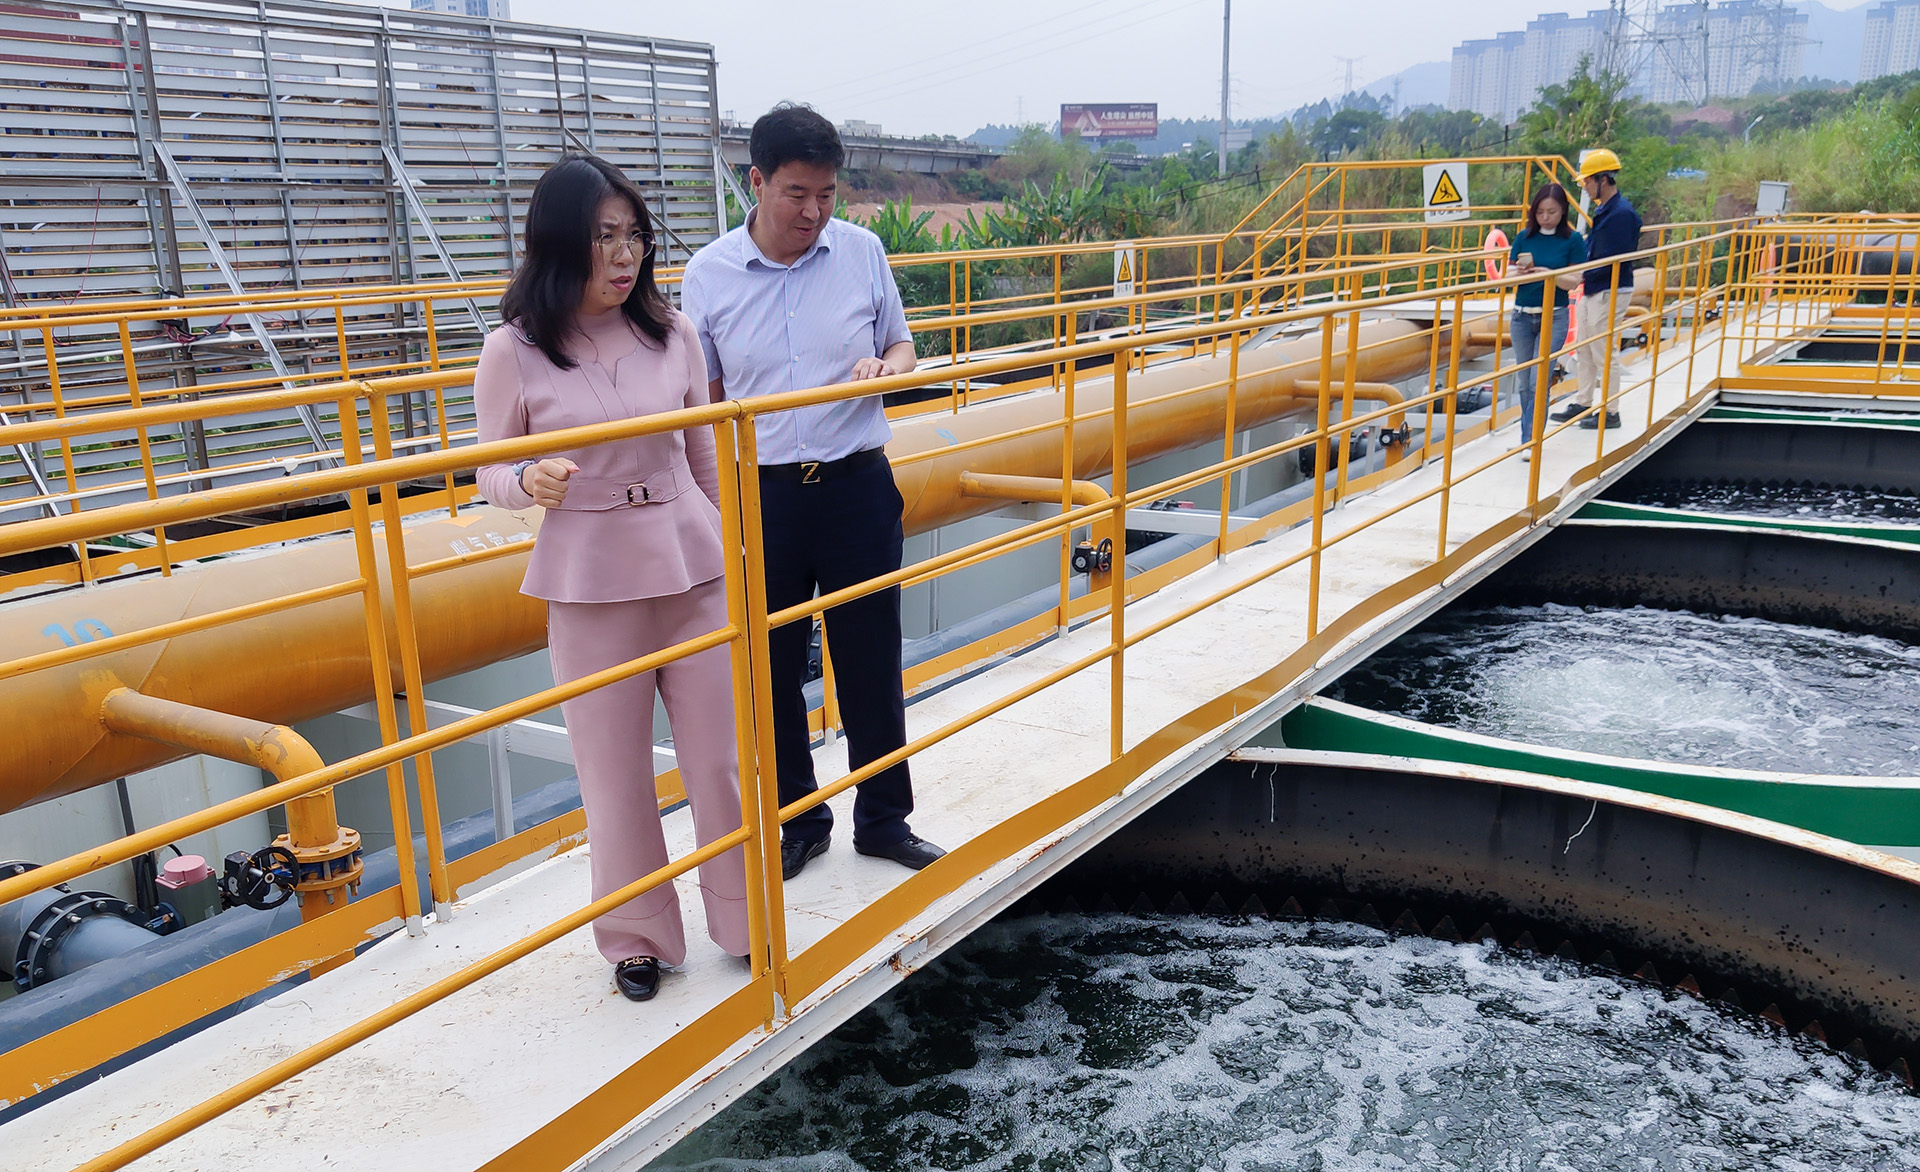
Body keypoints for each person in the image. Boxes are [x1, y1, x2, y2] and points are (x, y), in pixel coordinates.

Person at [473, 154, 748, 1002]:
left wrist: (734, 556)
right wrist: (529, 482)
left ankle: (746, 916)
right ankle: (636, 938)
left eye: (634, 236)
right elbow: (489, 470)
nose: (625, 256)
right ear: (561, 245)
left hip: (691, 567)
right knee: (614, 777)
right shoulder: (513, 351)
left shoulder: (673, 331)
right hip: (590, 582)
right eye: (604, 238)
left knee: (720, 762)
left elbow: (704, 454)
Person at [681, 104, 945, 882]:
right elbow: (706, 396)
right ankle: (799, 823)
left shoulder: (861, 252)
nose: (813, 211)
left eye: (826, 194)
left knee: (870, 659)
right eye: (797, 193)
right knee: (768, 667)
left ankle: (884, 820)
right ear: (757, 182)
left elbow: (901, 345)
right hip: (762, 496)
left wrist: (889, 369)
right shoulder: (709, 274)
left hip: (856, 484)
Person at [1552, 147, 1642, 430]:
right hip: (1594, 288)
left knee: (1603, 351)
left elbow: (1614, 258)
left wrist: (1580, 274)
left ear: (1604, 179)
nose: (1586, 187)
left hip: (1609, 290)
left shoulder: (1621, 214)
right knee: (1586, 349)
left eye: (1588, 181)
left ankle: (1611, 411)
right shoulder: (1607, 211)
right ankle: (1584, 401)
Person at [1507, 183, 1585, 458]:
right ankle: (1527, 437)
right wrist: (1521, 272)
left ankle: (1531, 440)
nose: (1545, 217)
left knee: (1538, 381)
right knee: (1524, 381)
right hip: (1522, 315)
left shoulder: (1573, 240)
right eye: (1540, 212)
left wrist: (1547, 273)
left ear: (1562, 211)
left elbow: (1574, 280)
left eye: (1551, 212)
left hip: (1554, 315)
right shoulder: (1524, 237)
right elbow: (1508, 276)